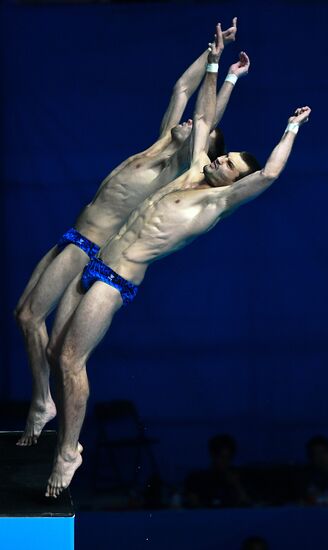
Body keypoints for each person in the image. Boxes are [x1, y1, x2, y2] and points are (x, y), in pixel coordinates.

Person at [45, 22, 311, 497]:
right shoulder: (191, 170)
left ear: (232, 183)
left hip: (115, 280)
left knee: (69, 359)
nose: (219, 162)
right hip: (94, 264)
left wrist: (290, 128)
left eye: (227, 167)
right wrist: (218, 64)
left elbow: (268, 174)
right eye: (224, 158)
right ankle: (62, 435)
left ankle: (69, 451)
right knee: (52, 353)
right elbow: (203, 114)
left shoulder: (216, 203)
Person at [14, 17, 248, 446]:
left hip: (89, 247)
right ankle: (46, 401)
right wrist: (212, 53)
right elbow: (182, 89)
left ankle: (43, 402)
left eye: (199, 131)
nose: (190, 124)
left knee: (34, 320)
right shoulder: (162, 141)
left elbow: (205, 113)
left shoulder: (180, 167)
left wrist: (227, 79)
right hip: (73, 234)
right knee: (25, 318)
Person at [185, 434, 251, 508]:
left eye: (228, 458)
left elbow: (246, 504)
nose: (225, 462)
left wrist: (237, 485)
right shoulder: (197, 478)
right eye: (222, 457)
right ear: (213, 456)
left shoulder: (237, 477)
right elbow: (193, 504)